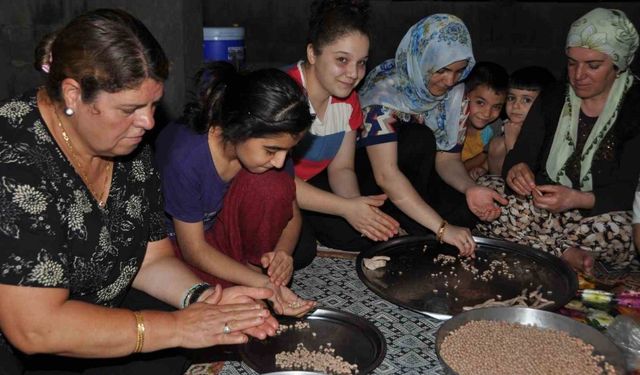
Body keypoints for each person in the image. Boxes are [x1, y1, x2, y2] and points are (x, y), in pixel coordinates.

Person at [0, 9, 279, 375]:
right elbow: (35, 329)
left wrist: (204, 299)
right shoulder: (16, 160)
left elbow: (151, 258)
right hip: (24, 337)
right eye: (131, 108)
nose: (148, 121)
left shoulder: (127, 147)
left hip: (95, 303)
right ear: (73, 94)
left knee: (173, 351)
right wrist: (178, 327)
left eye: (151, 105)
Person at [477, 8, 640, 273]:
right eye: (572, 63)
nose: (579, 75)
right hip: (544, 208)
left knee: (618, 232)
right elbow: (522, 155)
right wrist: (517, 168)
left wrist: (577, 199)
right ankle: (563, 252)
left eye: (593, 65)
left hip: (597, 215)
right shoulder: (554, 97)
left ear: (618, 65)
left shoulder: (634, 108)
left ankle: (540, 248)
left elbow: (631, 190)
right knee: (488, 192)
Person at [155, 62, 316, 316]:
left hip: (223, 227)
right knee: (227, 303)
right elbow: (194, 249)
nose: (280, 161)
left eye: (288, 151)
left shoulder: (270, 145)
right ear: (240, 129)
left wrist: (283, 254)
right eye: (272, 150)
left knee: (275, 192)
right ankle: (248, 274)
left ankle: (251, 267)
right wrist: (263, 283)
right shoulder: (186, 158)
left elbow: (292, 210)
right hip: (180, 241)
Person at [355, 14, 508, 256]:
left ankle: (416, 223)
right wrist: (442, 228)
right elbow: (386, 175)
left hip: (418, 179)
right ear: (422, 60)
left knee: (464, 210)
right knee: (419, 138)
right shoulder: (384, 93)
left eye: (458, 71)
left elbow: (447, 159)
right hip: (377, 181)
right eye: (442, 70)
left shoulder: (455, 94)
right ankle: (410, 223)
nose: (450, 80)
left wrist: (470, 188)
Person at [287, 0, 399, 261]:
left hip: (308, 184)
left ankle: (310, 218)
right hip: (267, 186)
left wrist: (358, 210)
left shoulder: (349, 100)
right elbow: (275, 181)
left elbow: (342, 168)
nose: (353, 74)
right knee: (300, 253)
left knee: (364, 237)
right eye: (342, 60)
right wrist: (345, 208)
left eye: (361, 63)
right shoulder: (285, 95)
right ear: (313, 53)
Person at [487, 66, 556, 175]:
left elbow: (525, 173)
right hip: (506, 185)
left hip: (532, 186)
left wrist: (511, 142)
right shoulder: (505, 128)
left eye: (526, 100)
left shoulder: (548, 134)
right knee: (497, 144)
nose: (515, 105)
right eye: (511, 98)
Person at [459, 62, 509, 181]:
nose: (487, 114)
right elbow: (451, 169)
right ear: (464, 95)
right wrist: (485, 154)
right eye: (480, 102)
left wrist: (483, 168)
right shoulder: (451, 123)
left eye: (496, 106)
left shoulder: (496, 127)